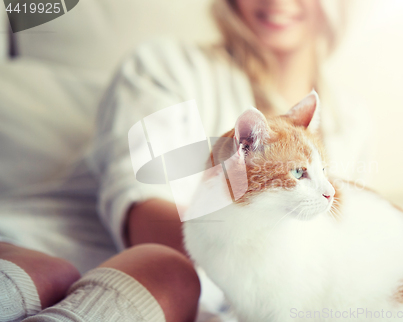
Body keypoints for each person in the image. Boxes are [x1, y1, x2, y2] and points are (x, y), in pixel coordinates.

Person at [0, 0, 371, 321]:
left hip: (167, 299)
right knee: (169, 272)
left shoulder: (350, 121)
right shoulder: (164, 65)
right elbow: (144, 218)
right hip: (43, 252)